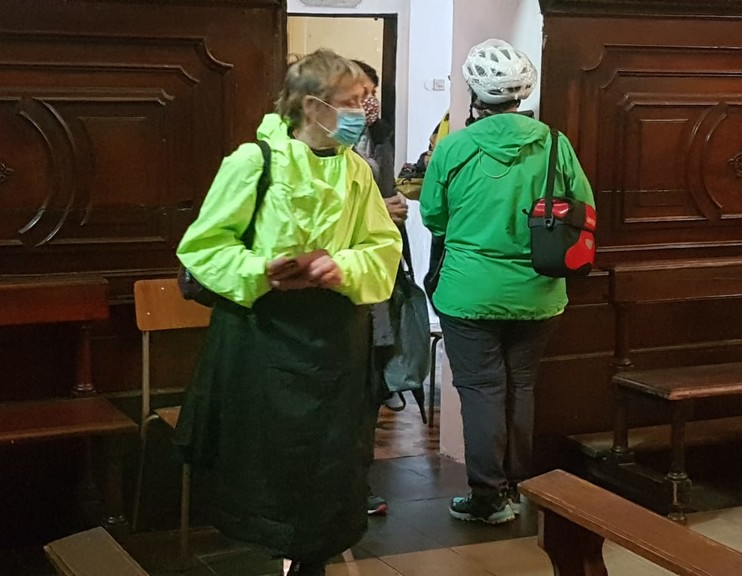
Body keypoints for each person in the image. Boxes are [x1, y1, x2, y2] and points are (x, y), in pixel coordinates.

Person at [174, 50, 403, 575]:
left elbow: (382, 246)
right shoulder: (254, 162)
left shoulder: (355, 169)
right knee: (268, 461)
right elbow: (204, 247)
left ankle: (313, 558)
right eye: (351, 101)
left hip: (334, 343)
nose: (363, 111)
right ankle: (267, 552)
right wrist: (262, 270)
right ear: (312, 106)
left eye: (366, 100)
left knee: (329, 461)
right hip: (264, 339)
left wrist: (342, 266)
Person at [419, 38, 595, 525]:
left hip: (468, 291)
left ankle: (488, 496)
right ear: (523, 91)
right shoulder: (555, 144)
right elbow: (583, 208)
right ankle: (518, 486)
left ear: (474, 92)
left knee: (481, 389)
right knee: (522, 385)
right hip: (539, 291)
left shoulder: (454, 147)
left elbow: (433, 217)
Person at [351, 59, 401, 517]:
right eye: (358, 94)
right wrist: (383, 212)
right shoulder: (310, 150)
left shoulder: (380, 135)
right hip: (338, 291)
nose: (367, 103)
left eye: (372, 92)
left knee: (367, 394)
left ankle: (358, 484)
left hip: (375, 289)